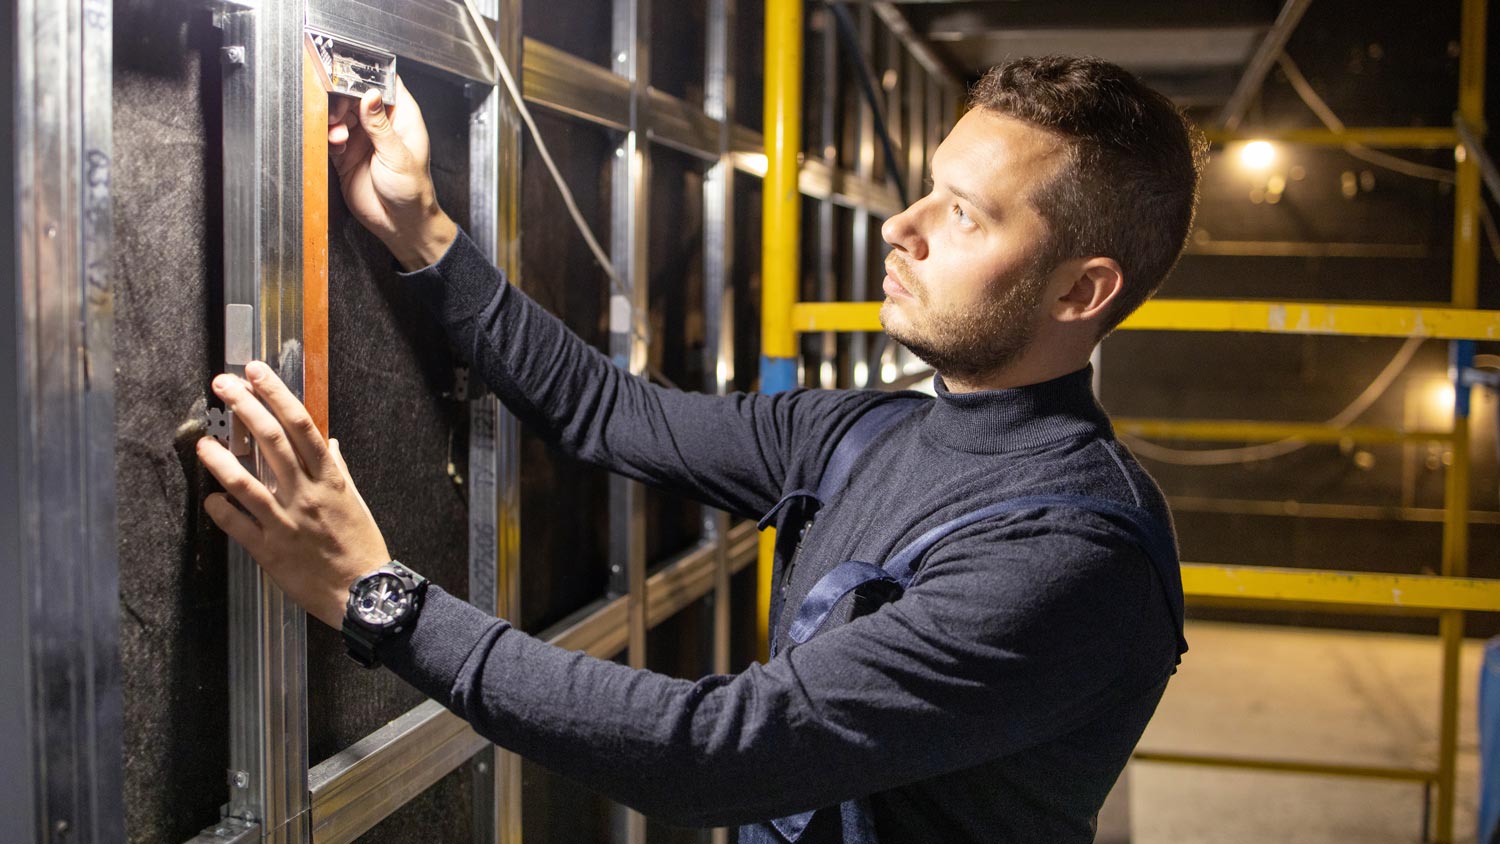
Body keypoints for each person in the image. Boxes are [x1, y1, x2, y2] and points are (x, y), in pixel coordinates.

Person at [195, 55, 1206, 843]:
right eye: (929, 188)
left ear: (1082, 291)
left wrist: (379, 596)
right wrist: (423, 233)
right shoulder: (871, 431)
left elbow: (715, 753)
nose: (901, 226)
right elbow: (607, 412)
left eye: (966, 214)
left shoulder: (1074, 555)